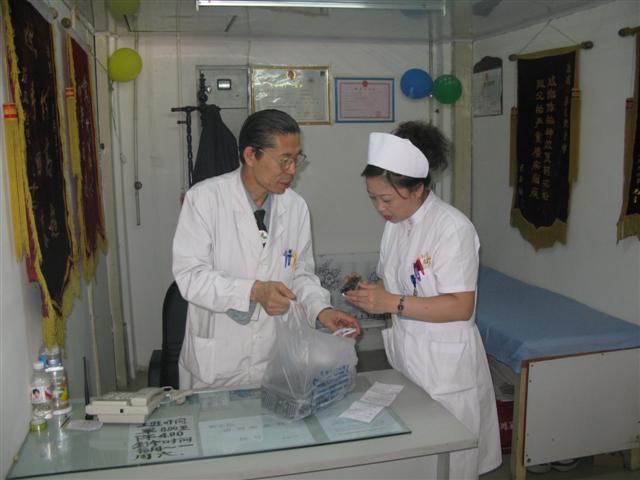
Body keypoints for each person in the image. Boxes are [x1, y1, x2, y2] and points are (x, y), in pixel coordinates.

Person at [344, 121, 501, 478]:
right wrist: (367, 293)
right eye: (372, 198)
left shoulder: (453, 229)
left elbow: (460, 306)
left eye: (386, 199)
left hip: (446, 372)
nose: (379, 208)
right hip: (408, 360)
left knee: (450, 465)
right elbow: (392, 283)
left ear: (416, 189)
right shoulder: (395, 225)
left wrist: (392, 303)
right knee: (417, 461)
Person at [172, 109, 361, 390]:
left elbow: (301, 274)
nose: (292, 170)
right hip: (218, 360)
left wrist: (321, 310)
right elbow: (190, 277)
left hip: (276, 356)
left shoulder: (295, 207)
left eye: (297, 159)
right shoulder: (204, 199)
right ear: (251, 155)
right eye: (284, 160)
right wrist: (254, 291)